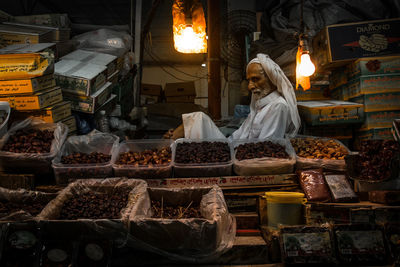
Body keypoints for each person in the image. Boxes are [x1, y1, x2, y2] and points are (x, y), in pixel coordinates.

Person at [164, 53, 301, 140]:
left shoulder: (278, 106)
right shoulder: (260, 105)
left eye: (255, 79)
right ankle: (172, 140)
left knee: (197, 119)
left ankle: (170, 141)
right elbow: (238, 135)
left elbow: (266, 147)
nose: (250, 86)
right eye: (249, 81)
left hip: (247, 160)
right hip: (235, 149)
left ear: (271, 78)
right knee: (197, 120)